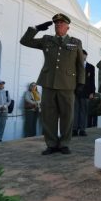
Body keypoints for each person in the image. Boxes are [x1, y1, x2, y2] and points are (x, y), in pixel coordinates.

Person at [20, 13, 85, 155]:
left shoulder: (76, 42)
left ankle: (64, 143)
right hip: (48, 83)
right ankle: (51, 144)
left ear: (68, 27)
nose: (58, 25)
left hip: (67, 85)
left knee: (67, 116)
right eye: (56, 23)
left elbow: (80, 65)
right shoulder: (46, 40)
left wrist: (81, 83)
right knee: (48, 116)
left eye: (61, 23)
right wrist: (35, 28)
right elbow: (24, 41)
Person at [73, 50, 96, 136]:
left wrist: (92, 92)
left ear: (86, 55)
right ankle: (74, 129)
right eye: (80, 55)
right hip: (75, 91)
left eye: (83, 55)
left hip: (86, 92)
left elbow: (92, 81)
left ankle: (82, 129)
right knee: (75, 111)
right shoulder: (74, 65)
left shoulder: (91, 67)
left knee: (84, 111)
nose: (82, 56)